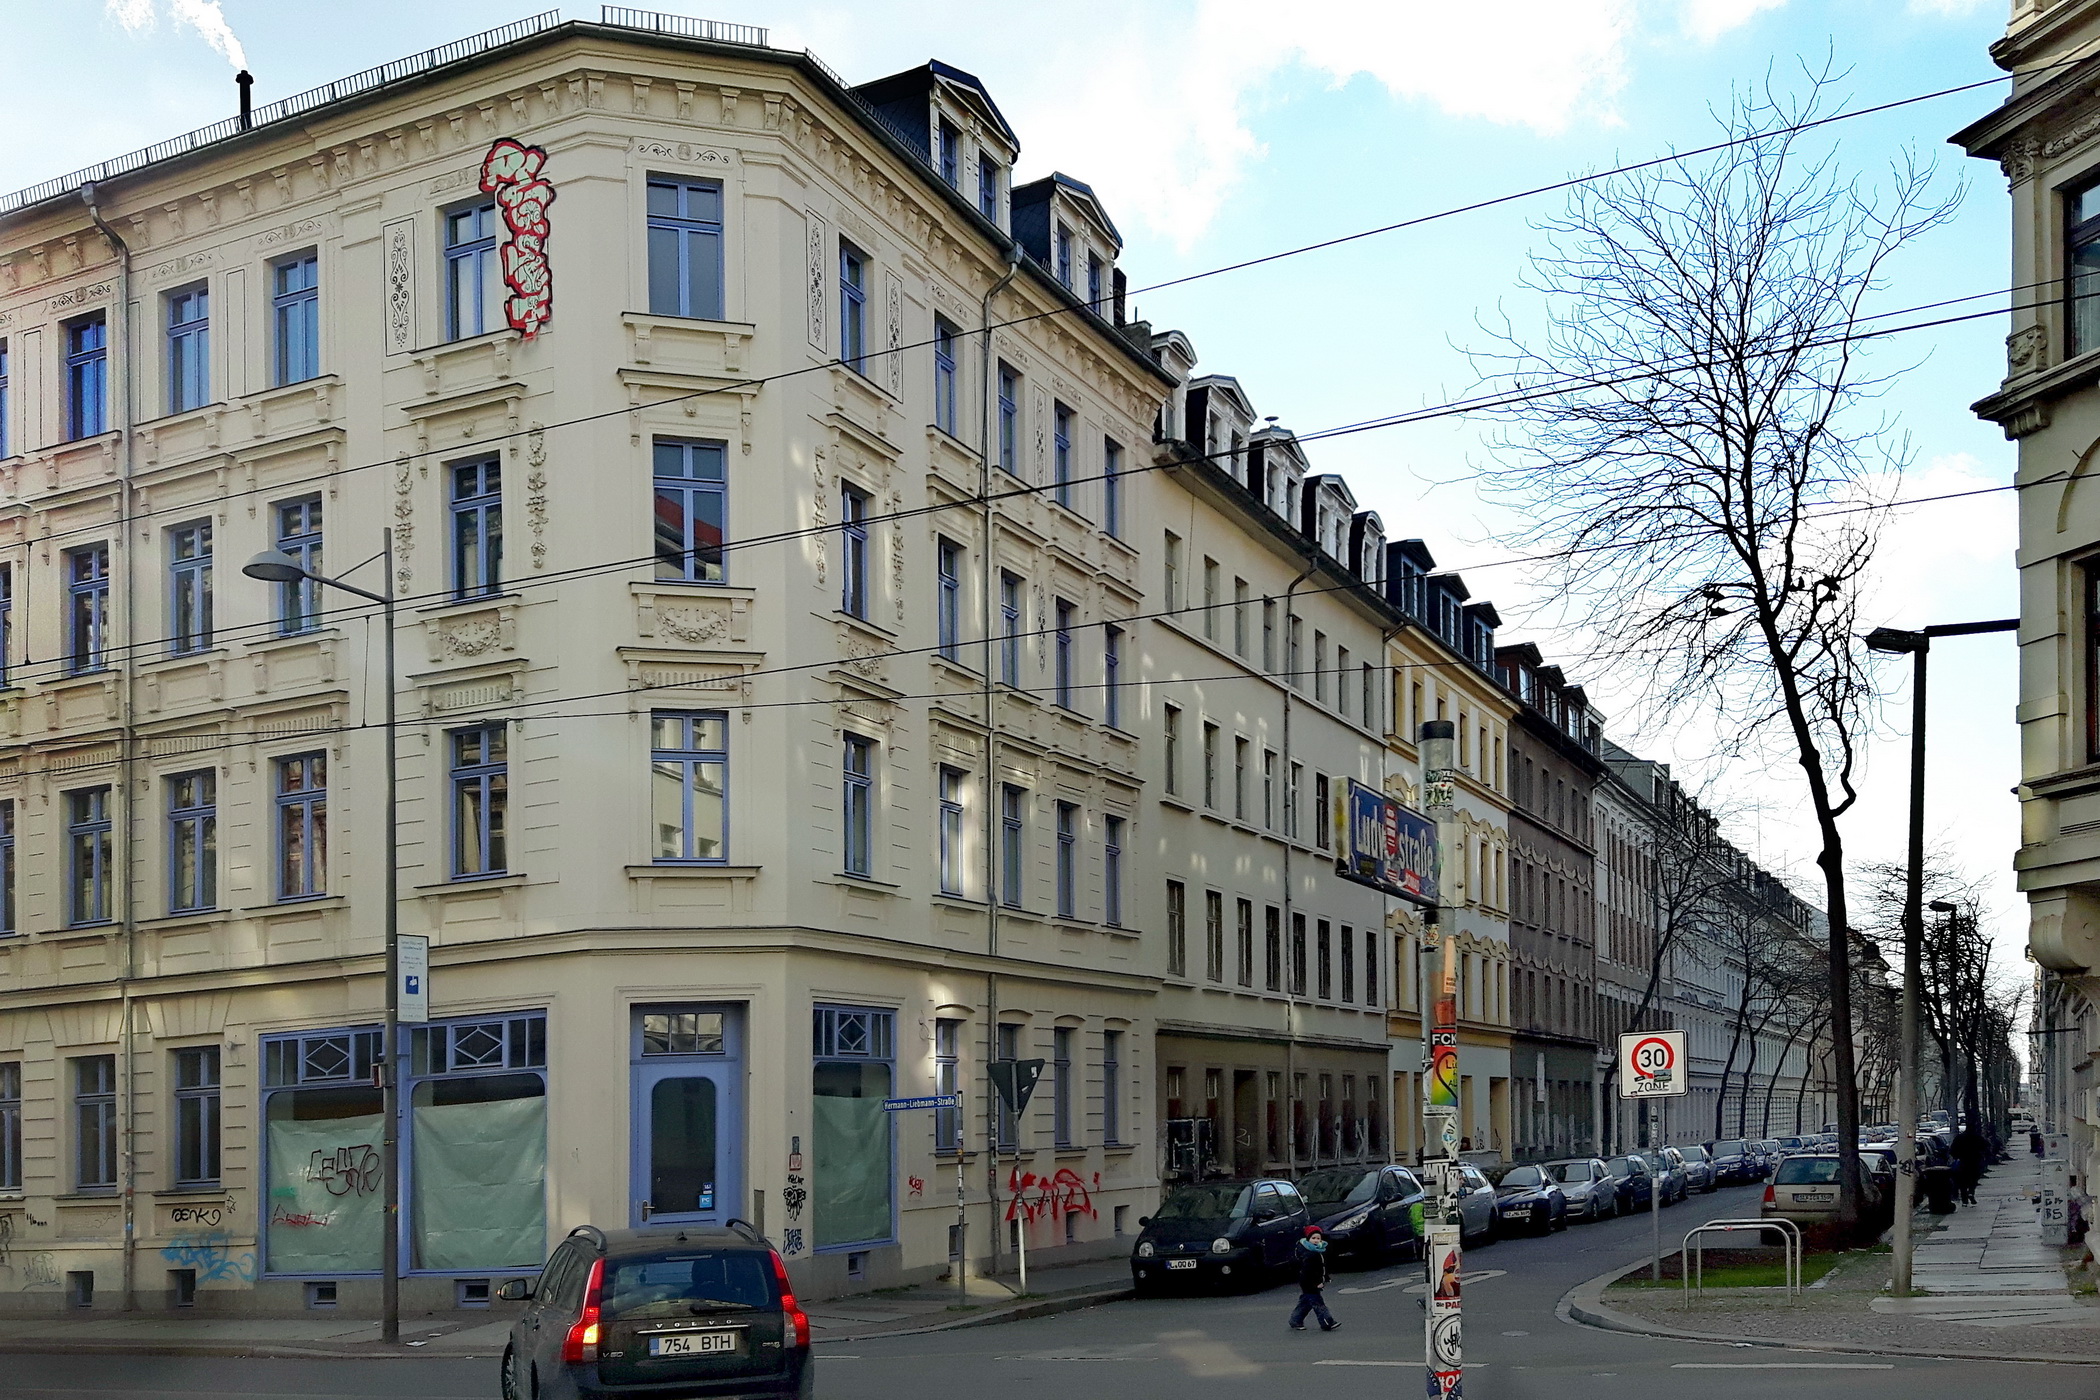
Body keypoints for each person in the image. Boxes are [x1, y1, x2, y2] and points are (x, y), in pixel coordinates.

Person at [1288, 1225, 1340, 1332]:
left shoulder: (1318, 1251)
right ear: (1308, 1239)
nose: (1316, 1240)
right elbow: (1307, 1272)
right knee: (1318, 1303)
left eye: (1318, 1238)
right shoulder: (1309, 1254)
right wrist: (1317, 1282)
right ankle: (1327, 1322)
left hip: (1311, 1282)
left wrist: (1325, 1277)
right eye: (1313, 1238)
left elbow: (1321, 1267)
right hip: (1309, 1283)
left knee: (1306, 1302)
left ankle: (1295, 1320)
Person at [1950, 1127, 1987, 1206]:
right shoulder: (1978, 1137)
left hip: (1963, 1162)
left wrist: (1957, 1156)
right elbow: (1985, 1147)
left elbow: (1952, 1150)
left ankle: (1964, 1199)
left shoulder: (1959, 1138)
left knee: (1962, 1181)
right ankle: (1971, 1192)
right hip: (1975, 1162)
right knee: (1973, 1179)